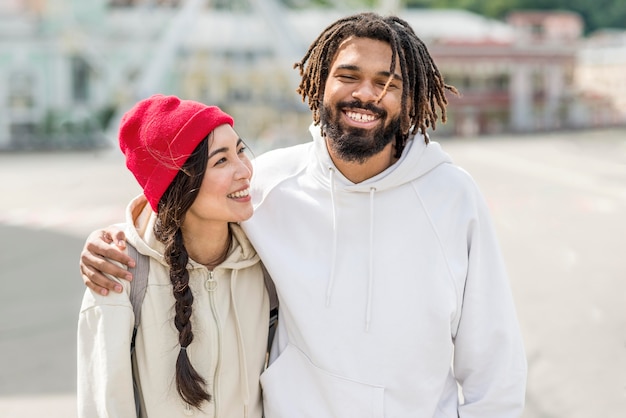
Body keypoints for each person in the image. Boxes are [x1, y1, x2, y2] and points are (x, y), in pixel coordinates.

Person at [79, 12, 527, 417]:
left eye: (387, 82)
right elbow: (186, 198)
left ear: (409, 99)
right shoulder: (267, 184)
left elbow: (495, 369)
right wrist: (114, 240)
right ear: (318, 85)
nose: (365, 93)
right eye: (348, 76)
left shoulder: (453, 196)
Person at [77, 94, 270, 418]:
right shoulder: (119, 274)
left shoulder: (264, 260)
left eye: (240, 151)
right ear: (181, 184)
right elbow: (105, 407)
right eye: (221, 161)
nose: (245, 171)